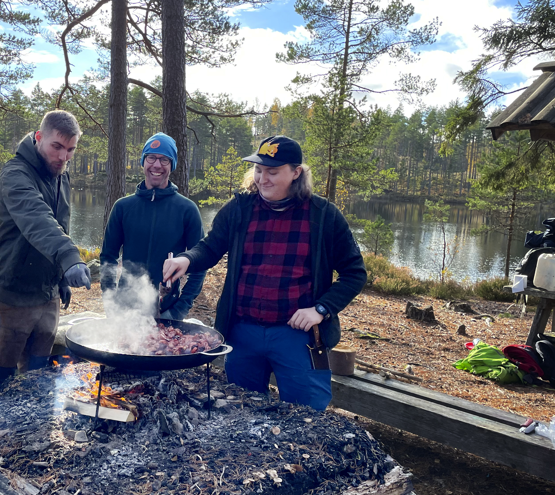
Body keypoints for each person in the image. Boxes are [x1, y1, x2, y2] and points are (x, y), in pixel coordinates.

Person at [162, 135, 366, 410]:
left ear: (296, 173)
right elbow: (210, 247)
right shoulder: (240, 209)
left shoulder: (324, 215)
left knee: (305, 417)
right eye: (258, 170)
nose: (262, 179)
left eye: (272, 172)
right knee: (242, 414)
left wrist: (320, 309)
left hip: (297, 337)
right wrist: (187, 259)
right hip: (243, 332)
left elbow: (354, 273)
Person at [0, 110, 91, 398]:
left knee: (39, 371)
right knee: (0, 372)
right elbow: (37, 219)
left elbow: (59, 226)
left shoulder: (60, 177)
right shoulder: (15, 174)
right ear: (39, 137)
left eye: (70, 150)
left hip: (47, 293)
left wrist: (61, 278)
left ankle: (34, 425)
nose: (63, 157)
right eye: (57, 146)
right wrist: (70, 257)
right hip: (13, 292)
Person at [100, 132, 206, 320]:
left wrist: (180, 308)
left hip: (167, 310)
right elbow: (108, 258)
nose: (157, 165)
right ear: (143, 161)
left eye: (164, 159)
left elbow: (200, 263)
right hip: (126, 310)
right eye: (151, 157)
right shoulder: (123, 207)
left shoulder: (187, 209)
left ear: (172, 165)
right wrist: (111, 303)